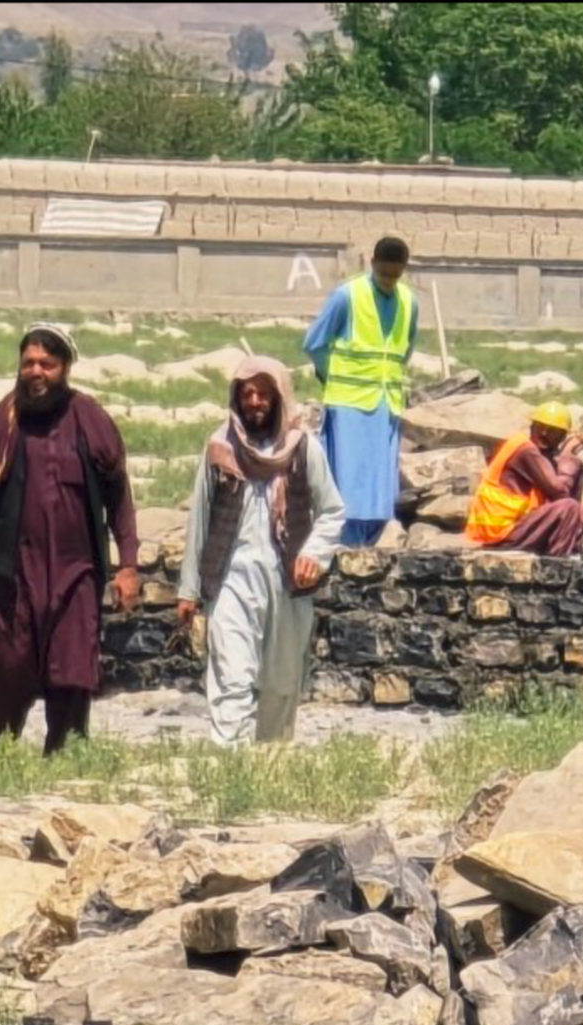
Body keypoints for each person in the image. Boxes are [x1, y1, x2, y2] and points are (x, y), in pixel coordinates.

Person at [0, 323, 141, 755]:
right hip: (11, 574)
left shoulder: (88, 420)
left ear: (66, 368)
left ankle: (65, 757)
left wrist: (128, 564)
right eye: (29, 363)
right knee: (4, 668)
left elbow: (118, 494)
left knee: (72, 669)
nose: (36, 372)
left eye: (47, 364)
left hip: (76, 574)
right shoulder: (1, 424)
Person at [174, 356, 345, 749]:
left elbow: (332, 511)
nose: (254, 402)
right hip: (232, 578)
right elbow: (200, 518)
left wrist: (314, 555)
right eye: (247, 394)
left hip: (287, 581)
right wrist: (188, 590)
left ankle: (272, 758)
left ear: (279, 397)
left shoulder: (303, 448)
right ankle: (229, 760)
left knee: (282, 681)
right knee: (231, 673)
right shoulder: (220, 447)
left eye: (263, 394)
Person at [304, 236, 417, 548]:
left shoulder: (409, 302)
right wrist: (331, 375)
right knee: (348, 482)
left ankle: (372, 541)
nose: (389, 281)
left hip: (386, 403)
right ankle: (344, 543)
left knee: (380, 485)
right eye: (384, 274)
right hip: (348, 403)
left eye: (395, 275)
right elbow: (314, 343)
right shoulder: (347, 296)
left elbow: (405, 349)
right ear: (373, 264)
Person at [464, 402, 583, 556]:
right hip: (501, 532)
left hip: (508, 529)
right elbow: (560, 491)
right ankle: (557, 563)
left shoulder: (535, 452)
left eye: (552, 431)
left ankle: (567, 555)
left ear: (561, 436)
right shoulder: (526, 450)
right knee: (569, 507)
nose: (544, 433)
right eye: (540, 427)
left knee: (580, 512)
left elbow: (562, 497)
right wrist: (568, 456)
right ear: (532, 427)